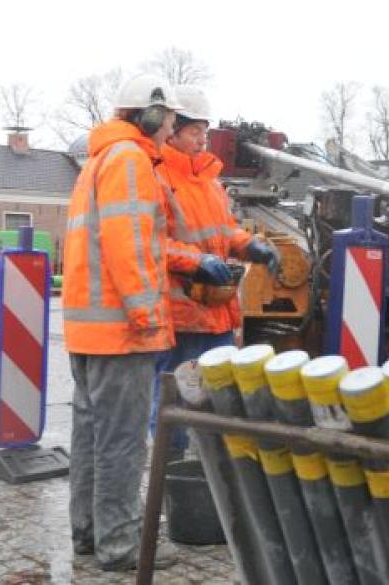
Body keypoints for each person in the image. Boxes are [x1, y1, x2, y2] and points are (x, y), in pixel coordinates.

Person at [61, 73, 194, 571]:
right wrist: (146, 315)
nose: (172, 129)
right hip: (122, 331)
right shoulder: (131, 160)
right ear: (153, 116)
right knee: (121, 446)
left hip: (89, 331)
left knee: (92, 438)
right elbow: (130, 245)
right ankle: (120, 548)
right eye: (172, 120)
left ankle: (90, 537)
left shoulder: (98, 160)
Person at [150, 85, 280, 461]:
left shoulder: (209, 182)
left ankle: (216, 474)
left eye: (205, 131)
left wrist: (248, 245)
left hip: (216, 314)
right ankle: (169, 476)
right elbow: (151, 242)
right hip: (180, 316)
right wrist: (196, 263)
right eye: (195, 131)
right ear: (173, 129)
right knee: (173, 401)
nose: (203, 140)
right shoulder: (157, 178)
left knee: (224, 399)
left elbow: (224, 230)